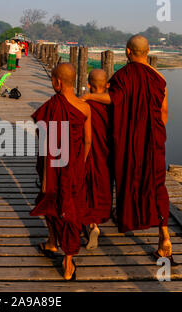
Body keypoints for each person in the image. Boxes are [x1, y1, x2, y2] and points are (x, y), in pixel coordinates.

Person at [80, 35, 175, 264]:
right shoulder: (159, 77)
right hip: (153, 140)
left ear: (127, 52)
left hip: (128, 140)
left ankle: (121, 216)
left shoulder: (121, 76)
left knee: (127, 178)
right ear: (149, 50)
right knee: (156, 184)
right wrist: (157, 133)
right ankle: (164, 236)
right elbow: (163, 112)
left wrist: (88, 95)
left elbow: (113, 99)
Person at [31, 63, 92, 280]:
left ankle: (51, 241)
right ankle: (68, 261)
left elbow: (42, 138)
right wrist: (80, 164)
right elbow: (87, 141)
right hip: (74, 167)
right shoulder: (84, 108)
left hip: (53, 165)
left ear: (57, 82)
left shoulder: (49, 106)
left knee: (50, 200)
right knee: (71, 207)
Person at [83, 69, 114, 250]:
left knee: (88, 186)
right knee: (103, 186)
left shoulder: (84, 104)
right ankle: (98, 221)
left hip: (89, 153)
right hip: (107, 154)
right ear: (108, 85)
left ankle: (92, 224)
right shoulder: (112, 105)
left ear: (88, 85)